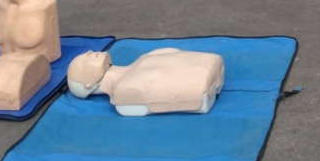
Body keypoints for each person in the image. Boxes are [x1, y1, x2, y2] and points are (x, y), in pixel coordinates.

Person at [67, 48, 225, 116]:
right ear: (87, 84)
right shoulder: (124, 90)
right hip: (202, 82)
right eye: (82, 62)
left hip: (207, 70)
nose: (88, 53)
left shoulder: (138, 63)